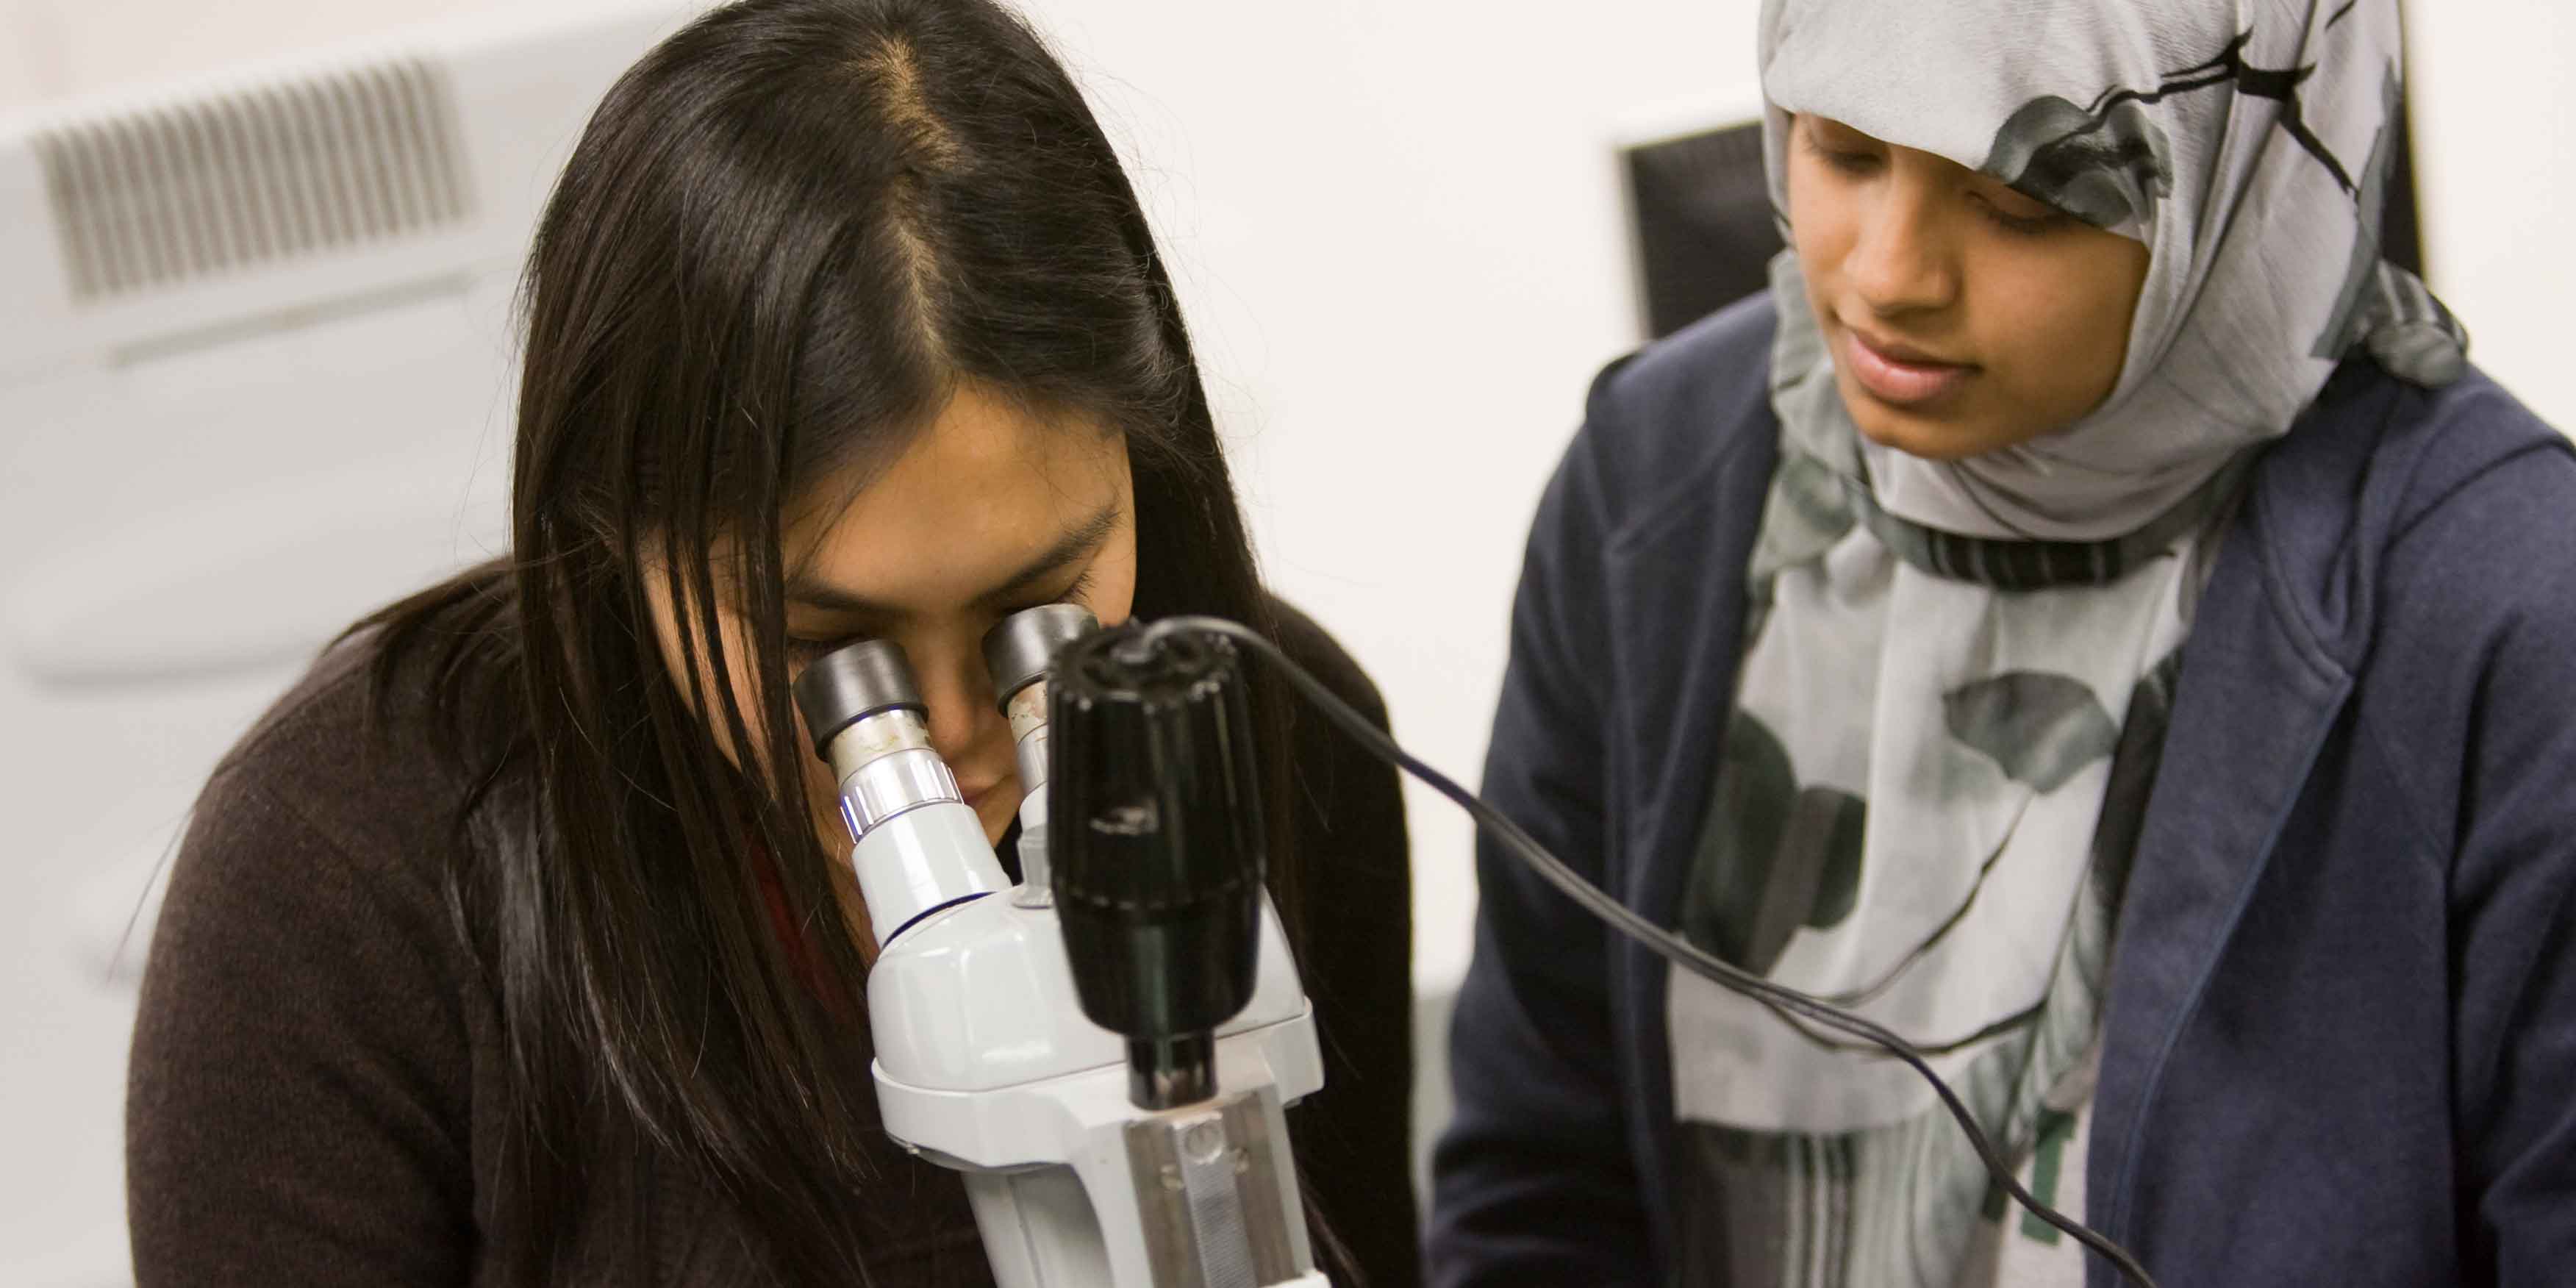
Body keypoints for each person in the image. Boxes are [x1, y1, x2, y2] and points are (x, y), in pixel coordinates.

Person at [123, 1, 1419, 1284]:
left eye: (1041, 609)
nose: (961, 730)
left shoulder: (1264, 737)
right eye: (827, 643)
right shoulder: (341, 873)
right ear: (607, 538)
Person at [1431, 1, 2575, 1284]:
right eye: (1842, 150)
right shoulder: (1652, 483)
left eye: (2028, 202)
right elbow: (1538, 1189)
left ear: (2236, 172)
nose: (1888, 276)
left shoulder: (2513, 613)